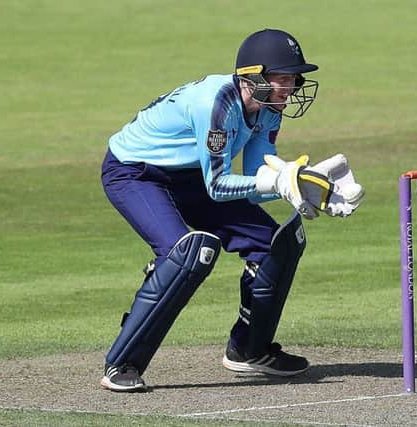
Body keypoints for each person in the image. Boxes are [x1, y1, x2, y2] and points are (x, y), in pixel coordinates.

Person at [99, 28, 364, 392]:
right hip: (136, 173)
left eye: (293, 79)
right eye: (281, 78)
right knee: (189, 253)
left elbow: (256, 181)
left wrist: (303, 184)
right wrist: (276, 183)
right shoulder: (217, 104)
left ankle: (249, 350)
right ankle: (122, 362)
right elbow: (219, 185)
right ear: (252, 77)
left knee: (276, 244)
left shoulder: (270, 108)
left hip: (191, 176)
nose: (289, 88)